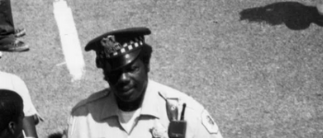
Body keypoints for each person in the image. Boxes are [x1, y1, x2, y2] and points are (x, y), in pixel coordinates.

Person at [70, 27, 222, 137]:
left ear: (147, 64)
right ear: (105, 75)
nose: (123, 79)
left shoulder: (187, 115)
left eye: (131, 69)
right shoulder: (84, 118)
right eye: (114, 72)